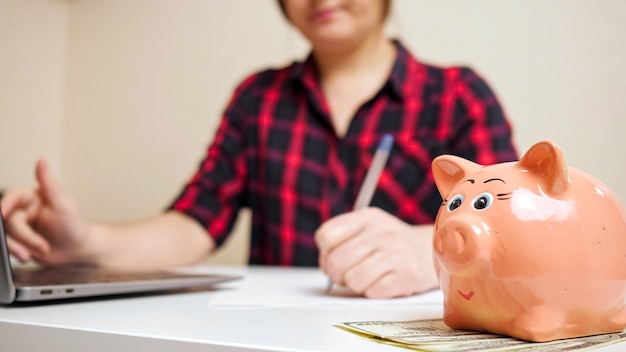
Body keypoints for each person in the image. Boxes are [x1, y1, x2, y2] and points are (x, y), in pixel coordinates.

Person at [0, 0, 517, 299]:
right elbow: (194, 222)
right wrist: (85, 244)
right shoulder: (258, 98)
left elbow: (514, 233)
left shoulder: (458, 95)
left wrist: (432, 252)